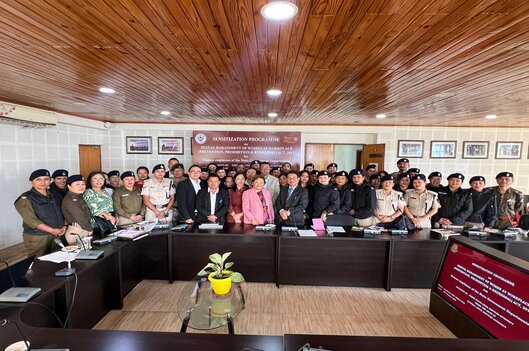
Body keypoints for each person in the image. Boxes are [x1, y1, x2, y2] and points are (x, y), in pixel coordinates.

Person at [14, 169, 65, 257]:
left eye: (46, 179)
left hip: (57, 234)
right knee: (37, 263)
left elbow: (63, 211)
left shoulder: (55, 194)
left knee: (57, 260)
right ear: (32, 182)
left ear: (50, 180)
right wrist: (52, 230)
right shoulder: (26, 198)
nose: (43, 182)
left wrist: (65, 225)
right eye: (38, 179)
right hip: (38, 237)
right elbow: (31, 221)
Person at [61, 174, 93, 242]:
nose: (81, 186)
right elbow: (80, 217)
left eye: (83, 184)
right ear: (69, 186)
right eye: (77, 184)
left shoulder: (78, 196)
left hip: (82, 228)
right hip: (77, 230)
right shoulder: (70, 200)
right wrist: (89, 229)